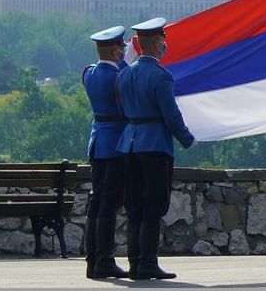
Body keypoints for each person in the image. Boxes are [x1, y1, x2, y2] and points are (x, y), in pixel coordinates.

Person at [115, 17, 195, 280]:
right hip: (155, 145)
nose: (164, 44)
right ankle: (148, 261)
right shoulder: (161, 76)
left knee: (134, 205)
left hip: (129, 143)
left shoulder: (124, 74)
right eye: (162, 40)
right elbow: (171, 115)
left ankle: (135, 262)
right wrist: (187, 138)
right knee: (154, 204)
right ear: (155, 43)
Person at [82, 25, 130, 279]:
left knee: (97, 203)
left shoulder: (89, 74)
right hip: (114, 145)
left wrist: (121, 62)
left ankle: (93, 259)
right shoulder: (119, 77)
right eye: (121, 47)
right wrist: (125, 64)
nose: (124, 51)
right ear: (114, 51)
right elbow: (125, 104)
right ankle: (105, 259)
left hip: (97, 142)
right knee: (108, 205)